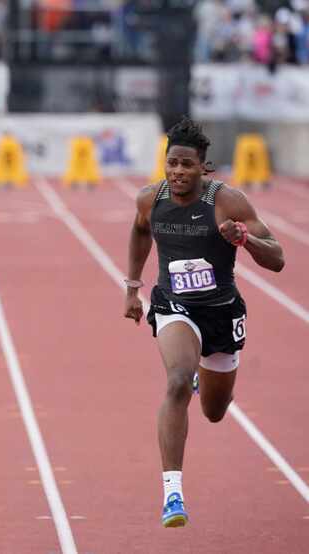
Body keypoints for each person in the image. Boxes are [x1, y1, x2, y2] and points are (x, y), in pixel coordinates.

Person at [124, 117, 285, 528]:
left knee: (214, 411)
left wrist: (244, 240)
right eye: (172, 163)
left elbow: (278, 258)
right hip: (174, 306)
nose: (178, 172)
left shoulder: (226, 202)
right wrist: (132, 286)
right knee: (177, 381)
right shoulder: (149, 199)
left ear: (203, 168)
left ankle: (204, 371)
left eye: (187, 165)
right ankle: (172, 494)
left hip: (221, 313)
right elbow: (141, 231)